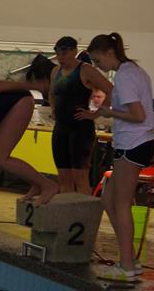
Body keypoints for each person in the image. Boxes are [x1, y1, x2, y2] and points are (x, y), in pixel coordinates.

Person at [75, 32, 154, 283]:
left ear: (109, 53)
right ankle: (129, 259)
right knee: (108, 199)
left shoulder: (124, 76)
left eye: (98, 61)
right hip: (133, 143)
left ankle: (126, 265)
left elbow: (138, 115)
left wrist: (109, 112)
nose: (98, 67)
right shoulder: (134, 70)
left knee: (120, 203)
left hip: (133, 143)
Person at [48, 36, 113, 195]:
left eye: (64, 54)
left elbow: (111, 90)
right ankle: (66, 209)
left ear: (74, 51)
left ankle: (83, 210)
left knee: (80, 176)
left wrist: (96, 114)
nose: (60, 58)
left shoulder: (85, 70)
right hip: (61, 128)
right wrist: (53, 110)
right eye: (58, 55)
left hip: (80, 129)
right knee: (63, 176)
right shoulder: (55, 71)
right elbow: (51, 93)